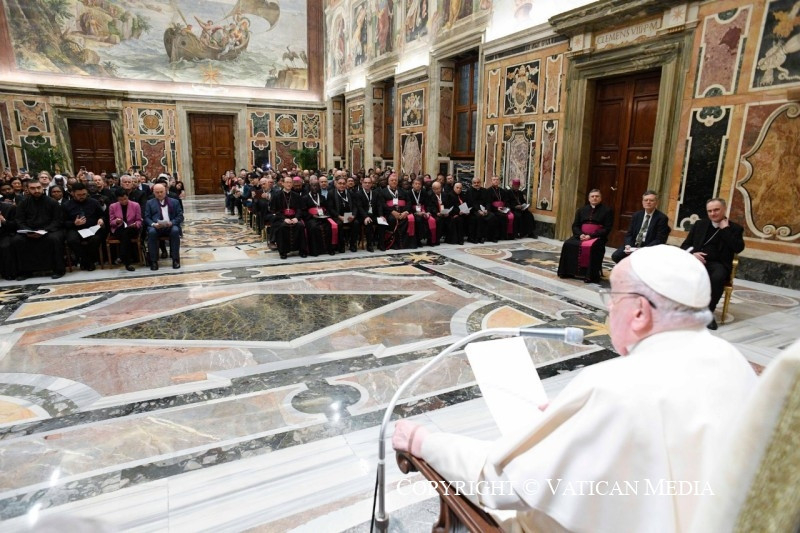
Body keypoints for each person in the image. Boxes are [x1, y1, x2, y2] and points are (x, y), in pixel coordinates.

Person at [393, 245, 757, 533]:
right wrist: (576, 421)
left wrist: (425, 442)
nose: (608, 308)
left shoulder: (613, 386)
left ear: (640, 312)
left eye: (613, 298)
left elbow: (502, 485)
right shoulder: (734, 362)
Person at [680, 198, 745, 330]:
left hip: (719, 264)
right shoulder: (700, 224)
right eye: (709, 211)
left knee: (718, 277)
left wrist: (725, 229)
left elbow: (738, 248)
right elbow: (685, 245)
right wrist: (693, 253)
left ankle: (708, 312)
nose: (713, 213)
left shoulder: (735, 228)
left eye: (716, 210)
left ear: (724, 209)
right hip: (697, 262)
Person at [11, 179, 65, 279]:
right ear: (27, 189)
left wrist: (44, 231)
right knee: (17, 240)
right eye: (33, 188)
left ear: (42, 188)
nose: (36, 190)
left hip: (49, 230)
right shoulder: (23, 203)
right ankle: (26, 271)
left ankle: (58, 270)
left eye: (38, 188)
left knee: (54, 239)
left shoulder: (52, 202)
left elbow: (57, 220)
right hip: (29, 231)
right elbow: (19, 220)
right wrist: (27, 231)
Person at [557, 189, 613, 283]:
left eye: (597, 196)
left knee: (593, 247)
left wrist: (591, 236)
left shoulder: (607, 211)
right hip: (581, 235)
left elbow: (607, 228)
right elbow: (575, 225)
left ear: (601, 198)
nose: (594, 198)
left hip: (597, 237)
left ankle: (589, 275)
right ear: (589, 198)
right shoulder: (581, 210)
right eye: (592, 196)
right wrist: (580, 234)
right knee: (568, 244)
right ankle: (567, 272)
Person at [611, 190, 670, 264]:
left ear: (656, 202)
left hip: (648, 246)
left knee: (641, 261)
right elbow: (629, 233)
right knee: (616, 256)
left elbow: (660, 239)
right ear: (642, 202)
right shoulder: (637, 215)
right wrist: (628, 245)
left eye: (651, 200)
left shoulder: (662, 218)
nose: (648, 202)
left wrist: (643, 249)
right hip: (633, 244)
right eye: (646, 200)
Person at [62, 182, 107, 271]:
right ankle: (87, 260)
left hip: (91, 228)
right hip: (75, 229)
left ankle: (86, 261)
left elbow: (103, 215)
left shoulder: (94, 202)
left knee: (96, 239)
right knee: (72, 240)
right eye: (79, 195)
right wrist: (74, 223)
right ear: (73, 193)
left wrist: (101, 219)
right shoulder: (66, 205)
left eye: (84, 194)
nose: (82, 196)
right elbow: (63, 222)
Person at [144, 183, 183, 270]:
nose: (160, 194)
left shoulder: (174, 202)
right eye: (157, 192)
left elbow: (180, 216)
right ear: (154, 193)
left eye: (161, 192)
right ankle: (153, 261)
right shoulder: (149, 203)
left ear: (165, 191)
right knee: (151, 232)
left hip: (170, 225)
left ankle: (175, 259)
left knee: (175, 231)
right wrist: (153, 224)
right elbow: (146, 217)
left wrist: (172, 222)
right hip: (156, 226)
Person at [270, 175, 307, 259]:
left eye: (290, 182)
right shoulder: (277, 195)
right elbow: (275, 211)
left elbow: (300, 209)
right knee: (282, 227)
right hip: (281, 218)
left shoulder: (296, 195)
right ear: (283, 183)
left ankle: (302, 250)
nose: (289, 184)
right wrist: (284, 219)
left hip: (294, 217)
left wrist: (296, 218)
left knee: (300, 226)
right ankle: (283, 252)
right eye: (287, 182)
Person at [109, 189, 143, 271]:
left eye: (125, 199)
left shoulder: (135, 205)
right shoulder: (113, 206)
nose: (124, 201)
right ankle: (125, 260)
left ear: (128, 197)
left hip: (132, 228)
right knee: (125, 236)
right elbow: (111, 222)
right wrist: (116, 221)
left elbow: (139, 220)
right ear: (117, 199)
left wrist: (135, 224)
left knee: (126, 234)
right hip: (119, 228)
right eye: (121, 200)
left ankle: (123, 258)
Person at [303, 180, 337, 256]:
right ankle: (315, 250)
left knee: (328, 226)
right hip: (311, 218)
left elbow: (327, 208)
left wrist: (326, 215)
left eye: (317, 186)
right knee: (314, 227)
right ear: (310, 187)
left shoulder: (322, 197)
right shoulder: (305, 198)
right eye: (313, 185)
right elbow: (303, 211)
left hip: (322, 217)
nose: (315, 187)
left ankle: (329, 249)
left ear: (319, 187)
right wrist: (312, 216)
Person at [327, 176, 360, 253]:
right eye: (340, 183)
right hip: (337, 216)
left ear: (346, 184)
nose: (342, 185)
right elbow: (330, 208)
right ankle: (341, 246)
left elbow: (355, 206)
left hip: (349, 216)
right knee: (339, 224)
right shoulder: (331, 193)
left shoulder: (350, 193)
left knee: (356, 223)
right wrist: (339, 216)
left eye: (343, 183)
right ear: (336, 184)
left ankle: (353, 245)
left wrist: (353, 215)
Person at [377, 172, 410, 249]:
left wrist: (405, 212)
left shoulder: (403, 191)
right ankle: (393, 243)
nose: (394, 182)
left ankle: (403, 244)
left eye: (395, 180)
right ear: (388, 182)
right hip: (388, 212)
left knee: (407, 219)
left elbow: (409, 202)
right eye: (392, 180)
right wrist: (392, 211)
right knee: (392, 219)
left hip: (402, 212)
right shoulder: (382, 192)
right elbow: (382, 204)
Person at [355, 175, 383, 252]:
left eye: (369, 183)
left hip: (373, 215)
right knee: (369, 223)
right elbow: (359, 207)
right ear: (362, 184)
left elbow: (379, 205)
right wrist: (365, 217)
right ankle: (369, 245)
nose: (367, 184)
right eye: (365, 182)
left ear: (371, 184)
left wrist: (381, 215)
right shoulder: (358, 194)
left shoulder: (375, 193)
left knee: (382, 223)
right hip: (362, 216)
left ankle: (381, 244)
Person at [0, 199, 17, 280]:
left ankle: (8, 273)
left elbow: (15, 225)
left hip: (4, 234)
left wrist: (4, 221)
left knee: (5, 246)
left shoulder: (9, 208)